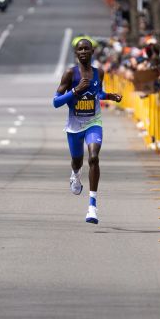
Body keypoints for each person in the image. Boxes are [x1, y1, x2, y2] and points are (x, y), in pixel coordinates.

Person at [53, 37, 122, 224]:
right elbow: (56, 102)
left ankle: (92, 206)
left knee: (93, 158)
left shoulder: (99, 72)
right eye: (80, 49)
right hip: (75, 126)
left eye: (86, 49)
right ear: (76, 53)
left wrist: (110, 96)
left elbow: (97, 93)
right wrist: (75, 91)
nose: (83, 52)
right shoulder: (70, 73)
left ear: (92, 52)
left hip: (93, 122)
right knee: (77, 161)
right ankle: (75, 174)